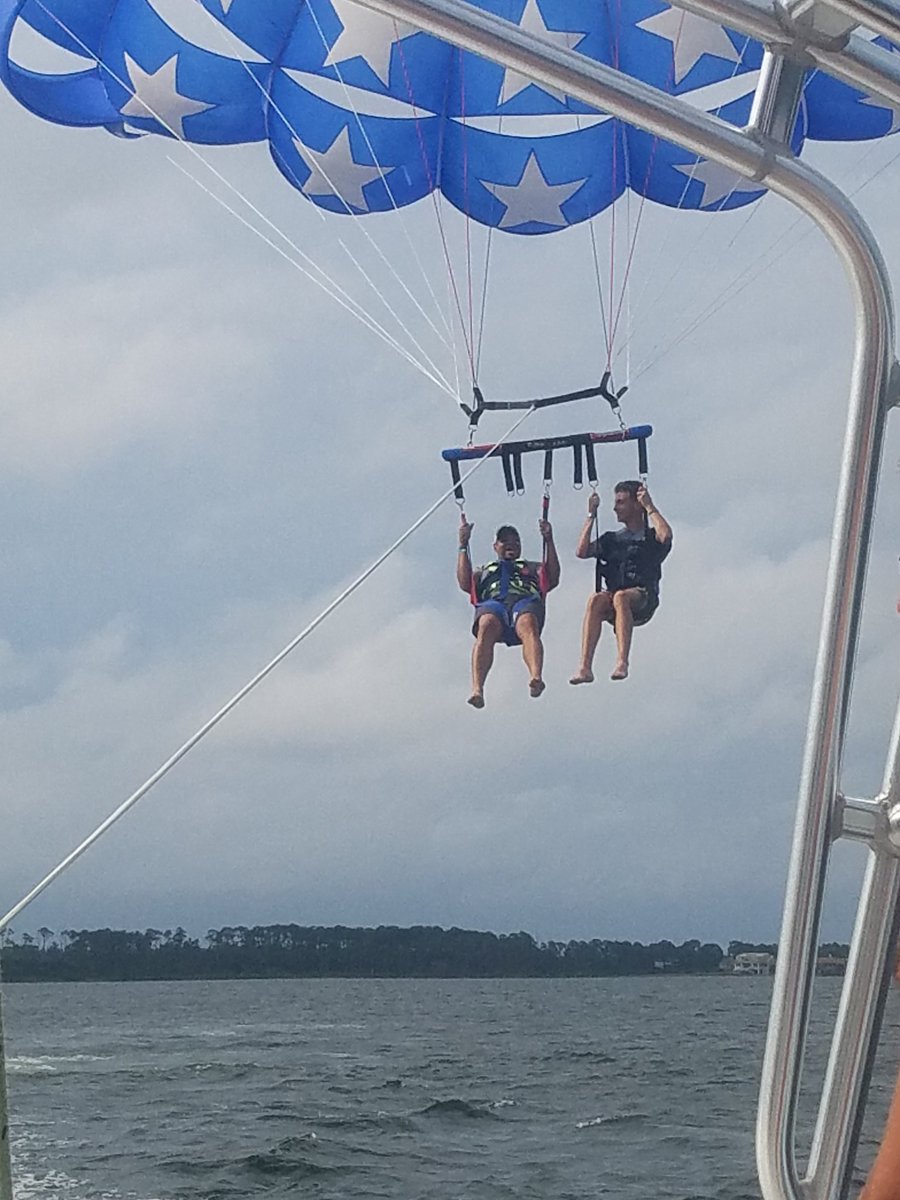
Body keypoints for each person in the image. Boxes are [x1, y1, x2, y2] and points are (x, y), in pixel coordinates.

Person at [569, 480, 672, 684]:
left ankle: (622, 662)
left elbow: (666, 535)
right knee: (596, 600)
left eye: (621, 502)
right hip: (614, 602)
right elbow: (581, 551)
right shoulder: (611, 539)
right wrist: (591, 515)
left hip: (642, 598)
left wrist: (650, 506)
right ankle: (585, 667)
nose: (615, 508)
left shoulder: (651, 537)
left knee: (621, 597)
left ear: (636, 504)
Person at [457, 518, 560, 709]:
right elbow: (465, 583)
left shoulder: (534, 567)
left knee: (527, 622)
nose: (511, 544)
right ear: (495, 546)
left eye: (516, 541)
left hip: (524, 601)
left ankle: (536, 677)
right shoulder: (485, 570)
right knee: (486, 624)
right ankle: (477, 689)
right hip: (494, 603)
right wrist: (463, 545)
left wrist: (549, 540)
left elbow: (552, 578)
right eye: (505, 541)